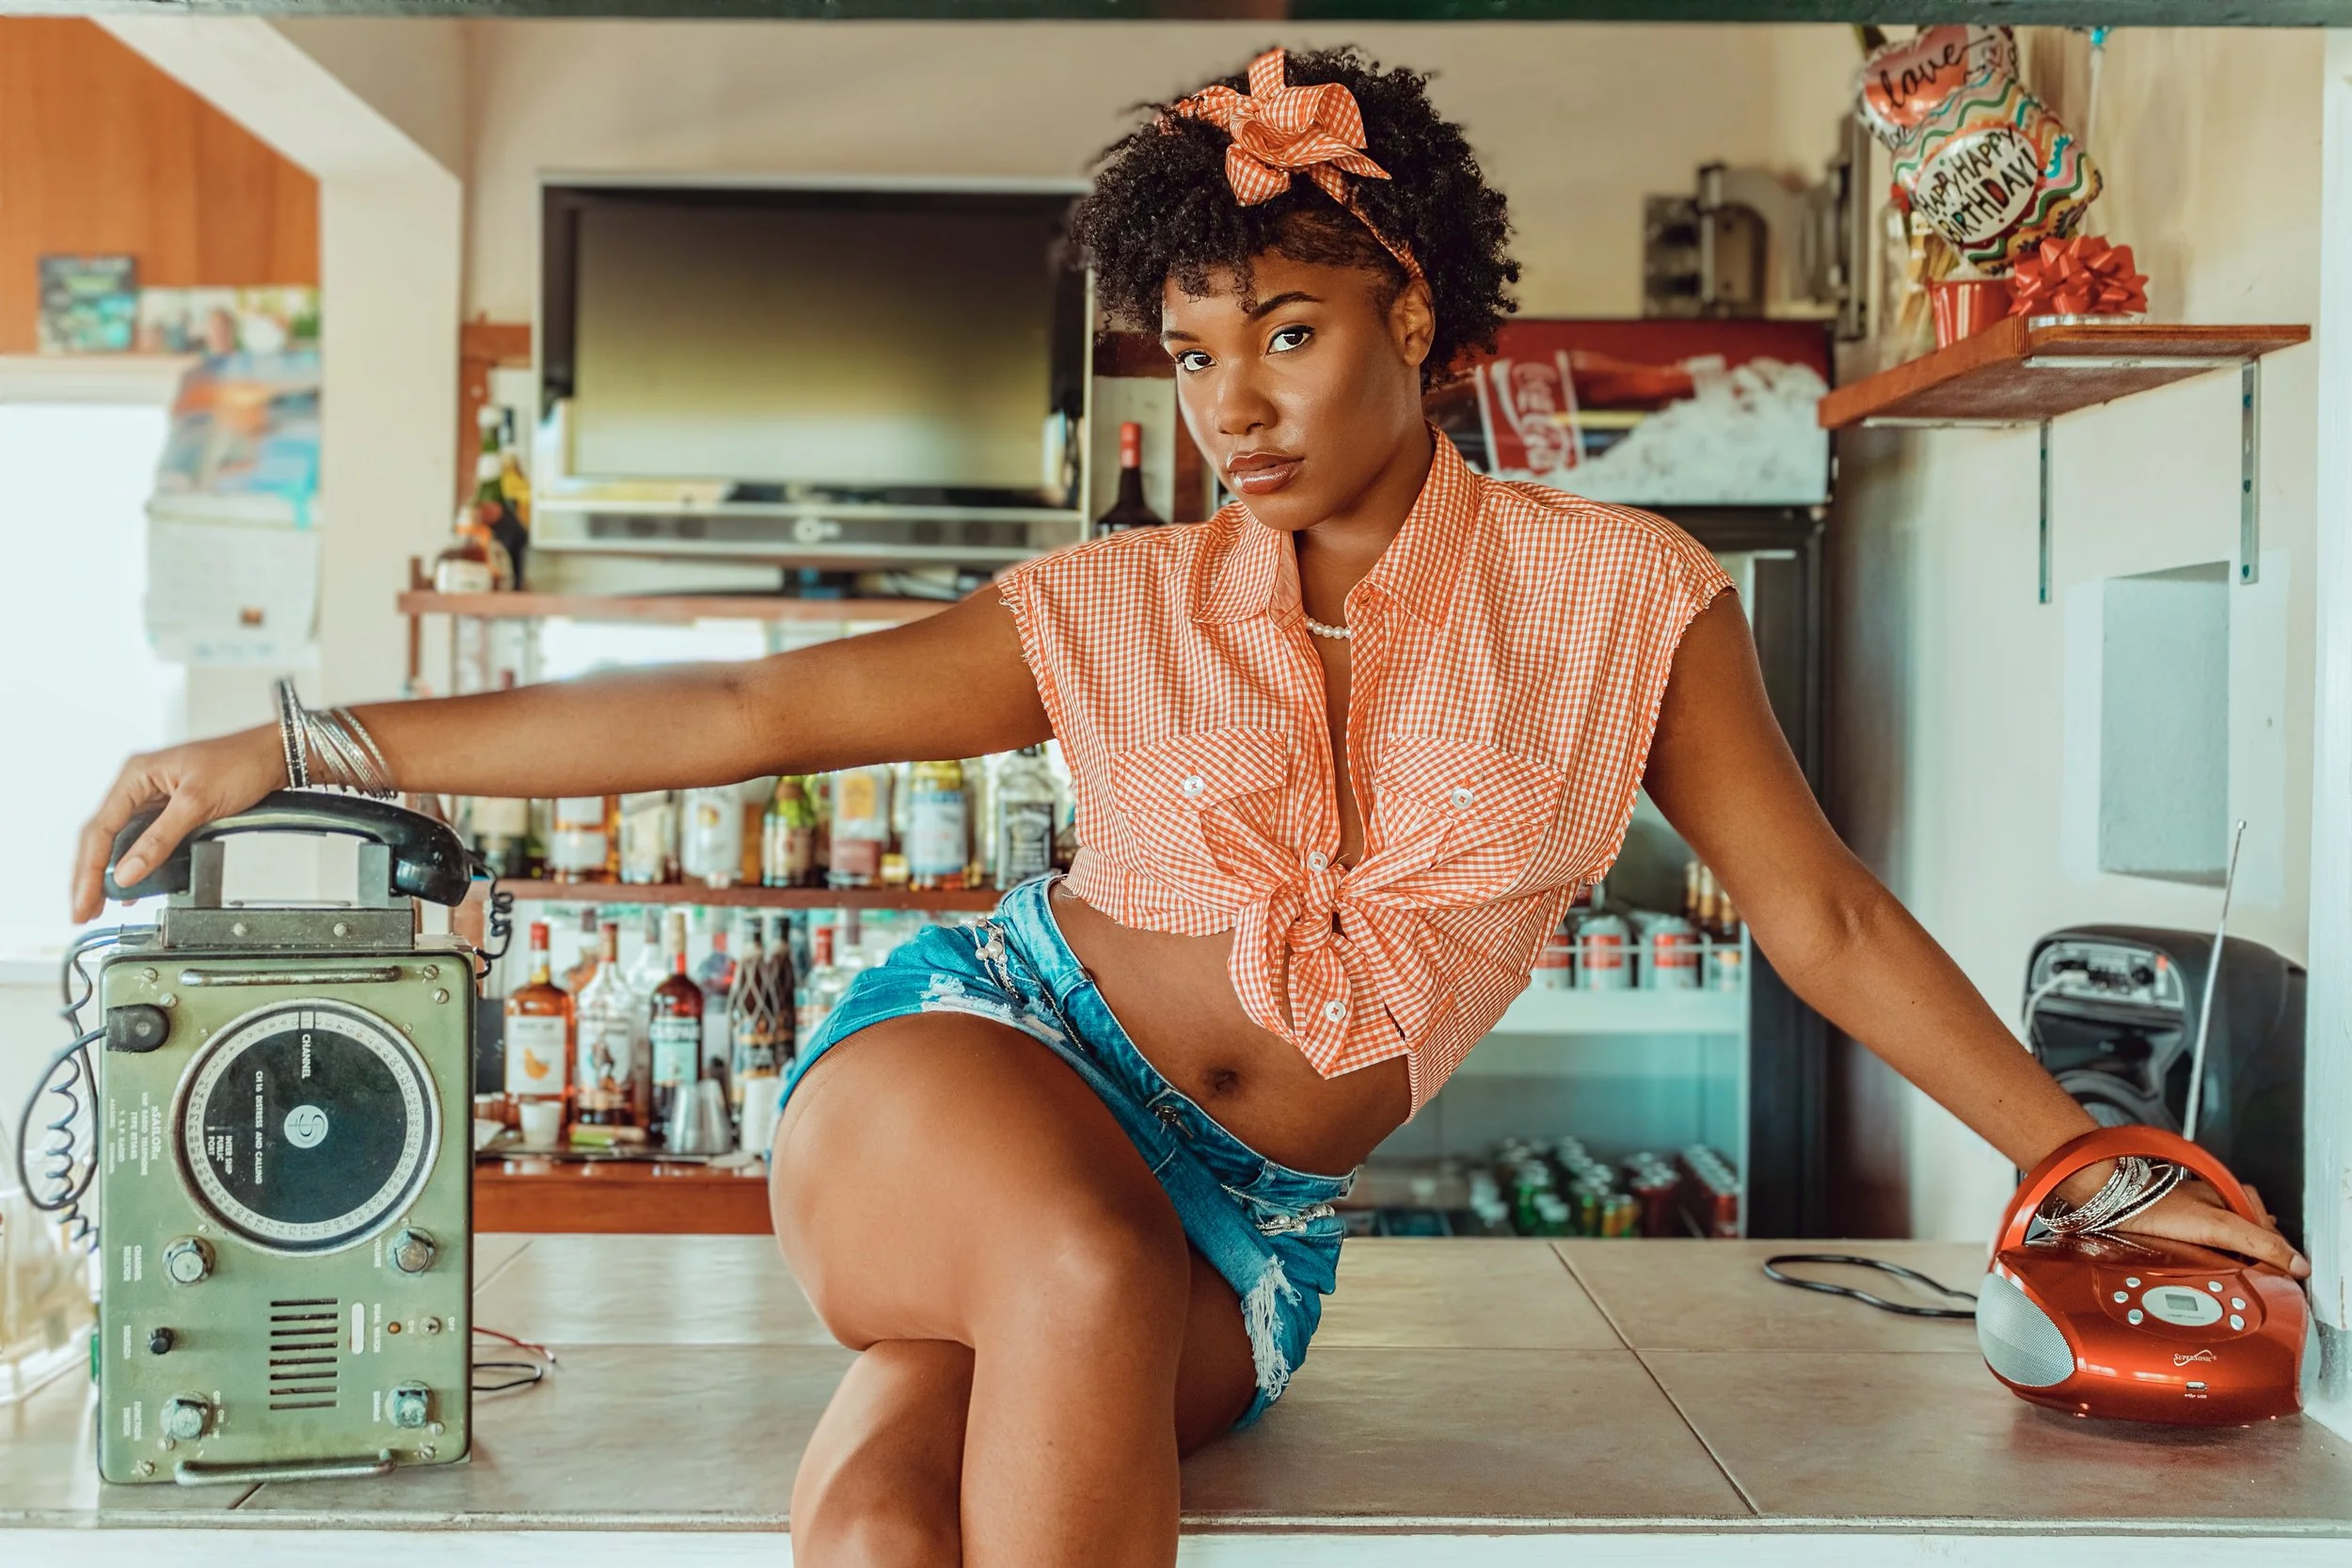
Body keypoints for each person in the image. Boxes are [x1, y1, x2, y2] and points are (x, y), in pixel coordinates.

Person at [72, 46, 2302, 1568]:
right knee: (1064, 1260)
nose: (1230, 403)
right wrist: (302, 742)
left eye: (1285, 334)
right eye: (1190, 352)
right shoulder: (1106, 601)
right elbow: (750, 705)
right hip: (983, 1060)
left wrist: (2087, 1161)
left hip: (1248, 1230)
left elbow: (1817, 913)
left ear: (1412, 311)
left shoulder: (1626, 595)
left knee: (888, 1510)